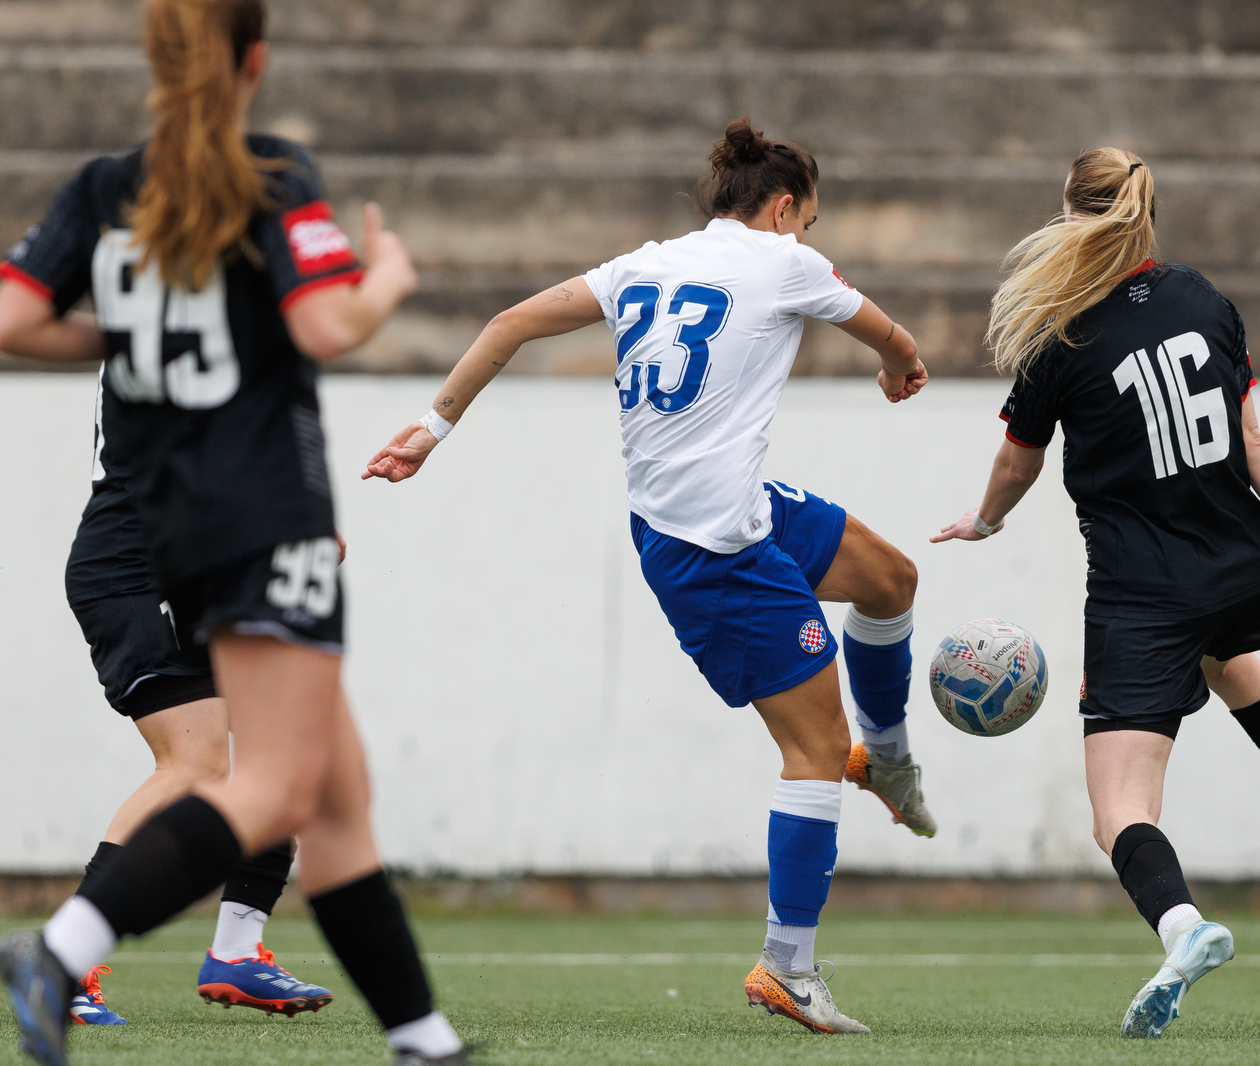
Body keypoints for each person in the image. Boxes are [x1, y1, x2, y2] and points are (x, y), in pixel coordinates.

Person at [363, 118, 932, 1036]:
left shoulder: (641, 264)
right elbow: (890, 335)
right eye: (810, 221)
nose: (808, 238)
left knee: (891, 578)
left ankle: (893, 758)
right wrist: (902, 367)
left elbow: (508, 325)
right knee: (814, 753)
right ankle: (787, 966)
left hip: (733, 508)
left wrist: (430, 431)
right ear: (784, 208)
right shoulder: (786, 263)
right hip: (715, 548)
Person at [0, 1, 469, 1063]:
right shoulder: (272, 172)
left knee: (334, 790)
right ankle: (63, 949)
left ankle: (421, 1038)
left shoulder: (104, 185)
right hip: (262, 516)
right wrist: (386, 273)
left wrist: (128, 330)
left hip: (183, 523)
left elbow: (11, 320)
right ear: (256, 59)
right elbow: (324, 322)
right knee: (270, 783)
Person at [932, 147, 1260, 1039]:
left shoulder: (1057, 334)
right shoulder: (1203, 298)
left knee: (1119, 815)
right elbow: (1253, 442)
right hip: (1238, 563)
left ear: (1069, 214)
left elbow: (1015, 462)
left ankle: (1183, 929)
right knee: (1230, 656)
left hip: (1145, 597)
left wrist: (984, 521)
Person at [58, 369, 338, 1026]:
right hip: (139, 564)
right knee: (195, 765)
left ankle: (237, 955)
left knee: (287, 756)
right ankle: (67, 962)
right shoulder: (171, 311)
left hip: (194, 566)